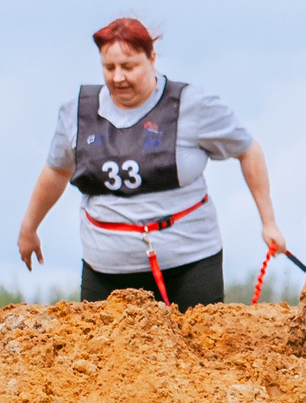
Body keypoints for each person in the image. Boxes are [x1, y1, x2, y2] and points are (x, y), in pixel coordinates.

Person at [16, 17, 290, 310]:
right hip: (106, 268)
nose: (118, 78)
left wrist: (269, 223)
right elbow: (56, 170)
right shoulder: (76, 113)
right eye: (109, 68)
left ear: (152, 59)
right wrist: (29, 228)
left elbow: (248, 150)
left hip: (188, 261)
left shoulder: (193, 106)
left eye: (129, 67)